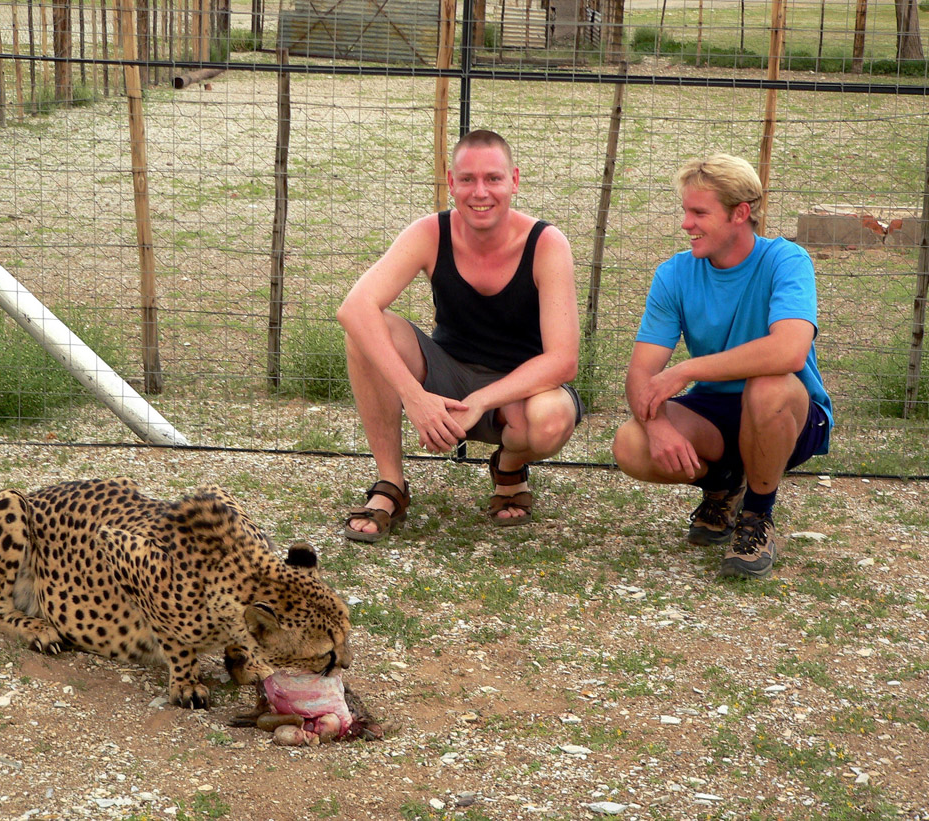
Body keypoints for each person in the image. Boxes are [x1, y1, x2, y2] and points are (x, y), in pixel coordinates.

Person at [336, 129, 584, 543]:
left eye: (493, 178)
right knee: (364, 331)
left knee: (551, 420)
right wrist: (416, 398)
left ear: (515, 181)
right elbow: (353, 307)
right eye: (467, 179)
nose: (480, 192)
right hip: (446, 376)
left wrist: (480, 403)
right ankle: (391, 484)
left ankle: (509, 466)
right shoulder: (430, 232)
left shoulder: (546, 243)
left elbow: (563, 360)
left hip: (517, 390)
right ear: (451, 184)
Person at [612, 153, 832, 579]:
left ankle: (756, 517)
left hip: (789, 413)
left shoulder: (787, 260)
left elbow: (789, 352)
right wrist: (657, 427)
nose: (685, 224)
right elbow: (641, 374)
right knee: (630, 443)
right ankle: (724, 483)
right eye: (685, 211)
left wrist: (686, 370)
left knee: (768, 387)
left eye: (699, 212)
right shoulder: (674, 274)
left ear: (740, 213)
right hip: (716, 414)